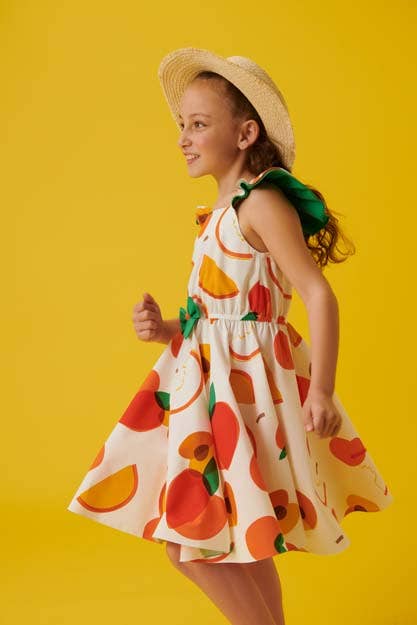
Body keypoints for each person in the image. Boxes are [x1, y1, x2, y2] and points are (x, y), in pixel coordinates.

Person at [67, 47, 394, 625]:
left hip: (245, 394)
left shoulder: (261, 202)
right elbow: (220, 313)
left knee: (192, 544)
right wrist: (166, 328)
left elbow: (317, 294)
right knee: (240, 539)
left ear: (245, 134)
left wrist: (321, 390)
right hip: (211, 390)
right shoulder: (219, 212)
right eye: (181, 125)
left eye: (198, 124)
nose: (183, 139)